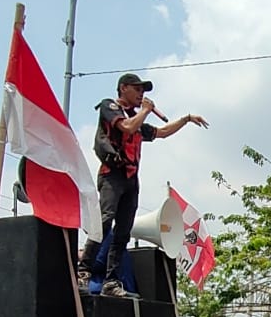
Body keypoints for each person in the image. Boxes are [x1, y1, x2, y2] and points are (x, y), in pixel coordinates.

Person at [81, 72, 209, 298]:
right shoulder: (110, 106)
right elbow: (127, 128)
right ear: (123, 88)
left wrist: (186, 119)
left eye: (143, 91)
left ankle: (111, 281)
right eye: (137, 89)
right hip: (113, 175)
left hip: (131, 179)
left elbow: (162, 132)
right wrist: (146, 110)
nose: (141, 94)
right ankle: (83, 270)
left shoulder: (137, 119)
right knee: (105, 220)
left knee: (123, 231)